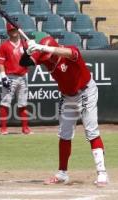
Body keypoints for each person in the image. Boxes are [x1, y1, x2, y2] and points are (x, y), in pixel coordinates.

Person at [20, 36, 109, 186]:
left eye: (51, 54)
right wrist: (28, 52)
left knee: (91, 131)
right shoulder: (45, 57)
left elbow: (68, 53)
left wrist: (44, 48)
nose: (50, 58)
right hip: (68, 96)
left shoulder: (71, 51)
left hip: (86, 91)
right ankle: (62, 174)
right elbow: (23, 63)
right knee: (64, 134)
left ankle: (102, 173)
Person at [0, 22, 32, 135]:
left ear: (18, 30)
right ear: (8, 32)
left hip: (23, 77)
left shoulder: (24, 44)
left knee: (23, 103)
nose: (14, 32)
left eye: (15, 30)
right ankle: (3, 128)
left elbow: (33, 56)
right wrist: (3, 77)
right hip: (10, 77)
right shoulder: (4, 46)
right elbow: (0, 62)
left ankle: (25, 128)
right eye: (11, 30)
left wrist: (32, 46)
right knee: (5, 102)